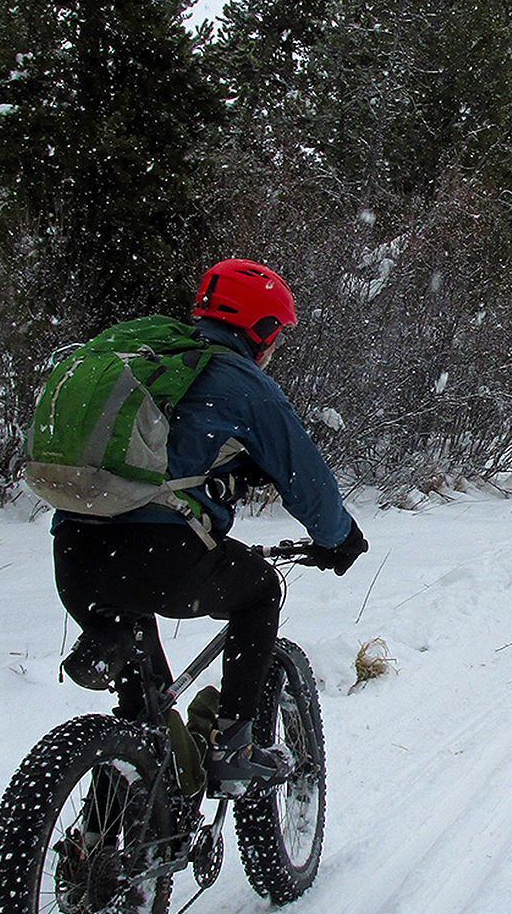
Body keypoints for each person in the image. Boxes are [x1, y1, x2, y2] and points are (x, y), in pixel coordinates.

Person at [52, 258, 368, 796]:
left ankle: (115, 829)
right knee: (262, 589)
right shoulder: (236, 378)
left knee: (142, 716)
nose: (275, 349)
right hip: (161, 560)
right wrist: (339, 538)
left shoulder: (154, 363)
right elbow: (305, 477)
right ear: (263, 330)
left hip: (75, 555)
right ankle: (234, 747)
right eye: (276, 335)